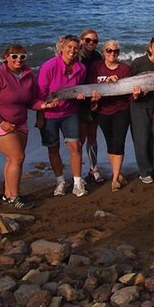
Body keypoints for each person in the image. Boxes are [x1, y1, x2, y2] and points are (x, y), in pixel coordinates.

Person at [0, 45, 57, 209]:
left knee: (12, 159)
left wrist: (44, 106)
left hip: (19, 123)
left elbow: (31, 101)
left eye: (22, 57)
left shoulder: (28, 75)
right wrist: (1, 123)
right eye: (14, 56)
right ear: (6, 57)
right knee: (17, 157)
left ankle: (8, 195)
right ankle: (14, 198)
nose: (18, 60)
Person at [37, 35, 89, 197]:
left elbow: (79, 89)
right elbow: (41, 94)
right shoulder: (48, 67)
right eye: (69, 47)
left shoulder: (81, 68)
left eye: (76, 48)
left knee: (75, 146)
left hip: (70, 112)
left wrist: (81, 95)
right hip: (49, 114)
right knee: (53, 148)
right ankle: (60, 182)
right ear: (62, 48)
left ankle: (77, 183)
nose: (72, 51)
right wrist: (40, 116)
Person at [88, 40, 132, 191]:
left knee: (119, 142)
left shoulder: (125, 69)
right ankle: (118, 174)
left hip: (121, 109)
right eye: (109, 50)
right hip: (103, 110)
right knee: (110, 143)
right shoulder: (96, 67)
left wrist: (136, 95)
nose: (112, 53)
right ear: (103, 52)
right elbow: (91, 86)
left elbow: (129, 92)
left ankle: (114, 180)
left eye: (116, 51)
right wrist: (101, 88)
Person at [130, 36, 154, 184]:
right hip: (138, 106)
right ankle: (145, 172)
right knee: (142, 140)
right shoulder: (138, 63)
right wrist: (135, 95)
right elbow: (126, 84)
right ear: (150, 48)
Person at [78, 29, 104, 183]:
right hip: (78, 100)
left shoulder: (97, 56)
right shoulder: (76, 55)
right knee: (80, 138)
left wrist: (95, 100)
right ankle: (78, 174)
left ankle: (93, 169)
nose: (91, 43)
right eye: (88, 40)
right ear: (81, 40)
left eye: (94, 41)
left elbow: (99, 77)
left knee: (92, 135)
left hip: (93, 98)